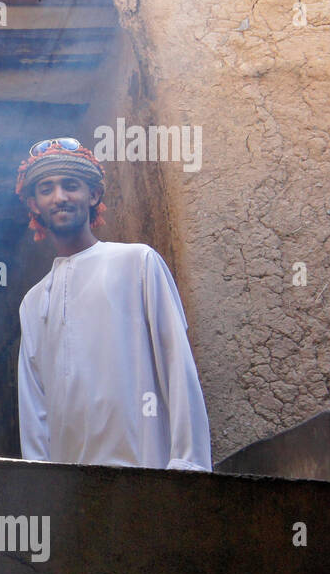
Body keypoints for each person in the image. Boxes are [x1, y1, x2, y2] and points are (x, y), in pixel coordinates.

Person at [14, 137, 212, 471]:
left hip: (148, 475)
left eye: (71, 185)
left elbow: (176, 364)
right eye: (47, 189)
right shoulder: (32, 303)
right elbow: (34, 407)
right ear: (34, 204)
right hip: (71, 490)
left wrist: (189, 467)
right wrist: (41, 486)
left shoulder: (138, 263)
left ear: (93, 195)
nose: (59, 197)